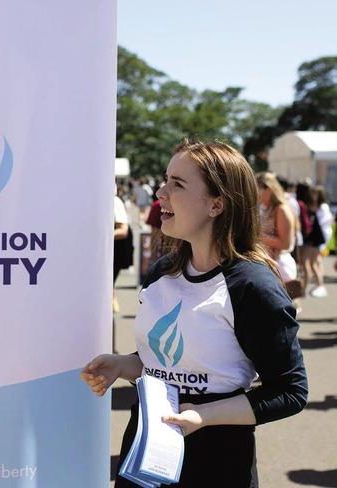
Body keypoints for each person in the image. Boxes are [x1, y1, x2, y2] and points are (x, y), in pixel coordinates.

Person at [81, 140, 307, 487]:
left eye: (177, 184)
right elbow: (167, 363)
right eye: (165, 180)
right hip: (145, 452)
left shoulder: (252, 286)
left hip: (217, 463)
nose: (160, 192)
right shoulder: (162, 273)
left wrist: (202, 415)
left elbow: (290, 391)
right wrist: (122, 365)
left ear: (216, 204)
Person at [256, 172, 299, 285]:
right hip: (273, 264)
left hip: (281, 266)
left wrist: (257, 237)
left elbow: (285, 243)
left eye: (257, 189)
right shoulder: (269, 208)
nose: (255, 194)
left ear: (269, 189)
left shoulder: (281, 210)